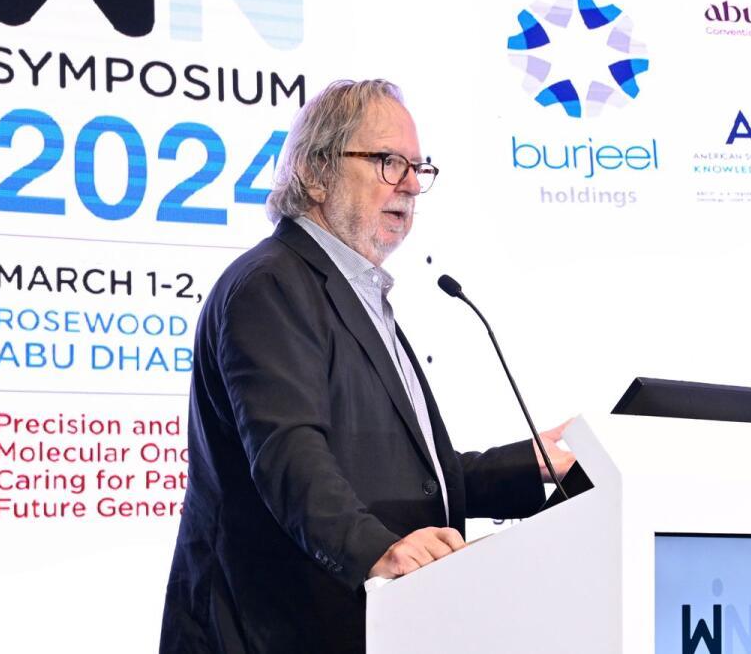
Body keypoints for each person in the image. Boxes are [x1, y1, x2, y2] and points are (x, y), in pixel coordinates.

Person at [159, 79, 574, 653]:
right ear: (315, 172)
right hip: (265, 633)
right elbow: (286, 454)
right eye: (387, 161)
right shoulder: (270, 285)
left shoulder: (357, 293)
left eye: (418, 167)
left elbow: (409, 479)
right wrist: (376, 549)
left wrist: (532, 465)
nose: (411, 184)